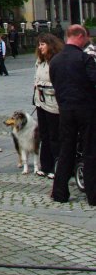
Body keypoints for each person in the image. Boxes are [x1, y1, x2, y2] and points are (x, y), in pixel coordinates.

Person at [49, 24, 96, 206]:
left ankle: (60, 192)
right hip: (86, 110)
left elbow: (55, 83)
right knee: (90, 150)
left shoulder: (56, 61)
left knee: (66, 149)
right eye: (85, 38)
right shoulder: (85, 59)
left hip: (66, 110)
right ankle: (93, 194)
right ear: (80, 37)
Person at [33, 33, 63, 178]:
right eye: (39, 45)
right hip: (40, 103)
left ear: (50, 45)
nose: (40, 47)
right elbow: (36, 79)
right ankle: (45, 166)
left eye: (43, 44)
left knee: (54, 136)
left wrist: (41, 86)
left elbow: (58, 85)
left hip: (53, 104)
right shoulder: (40, 61)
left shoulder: (55, 62)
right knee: (44, 135)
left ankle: (56, 167)